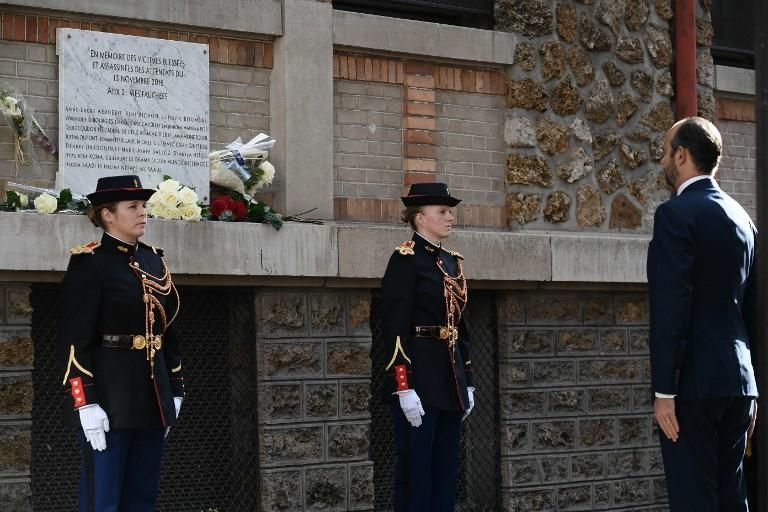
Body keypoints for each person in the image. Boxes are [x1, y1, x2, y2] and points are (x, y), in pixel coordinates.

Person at [648, 117, 758, 511]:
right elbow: (754, 311)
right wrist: (754, 388)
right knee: (733, 498)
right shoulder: (744, 220)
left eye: (665, 152)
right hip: (739, 384)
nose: (662, 160)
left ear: (681, 155)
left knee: (694, 500)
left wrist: (663, 390)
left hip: (691, 389)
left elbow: (670, 307)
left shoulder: (674, 215)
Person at [59, 175, 185, 511]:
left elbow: (167, 330)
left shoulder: (153, 260)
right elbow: (75, 339)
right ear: (107, 215)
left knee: (142, 496)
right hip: (110, 399)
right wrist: (85, 402)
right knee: (104, 498)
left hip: (153, 397)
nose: (143, 212)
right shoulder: (90, 262)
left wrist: (175, 389)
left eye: (144, 205)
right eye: (133, 207)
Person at [378, 182, 475, 511]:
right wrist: (403, 387)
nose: (450, 218)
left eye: (450, 212)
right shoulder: (406, 259)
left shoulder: (452, 262)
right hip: (420, 379)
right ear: (420, 219)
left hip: (450, 381)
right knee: (416, 470)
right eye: (442, 212)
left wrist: (468, 381)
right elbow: (393, 327)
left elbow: (461, 326)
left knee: (446, 470)